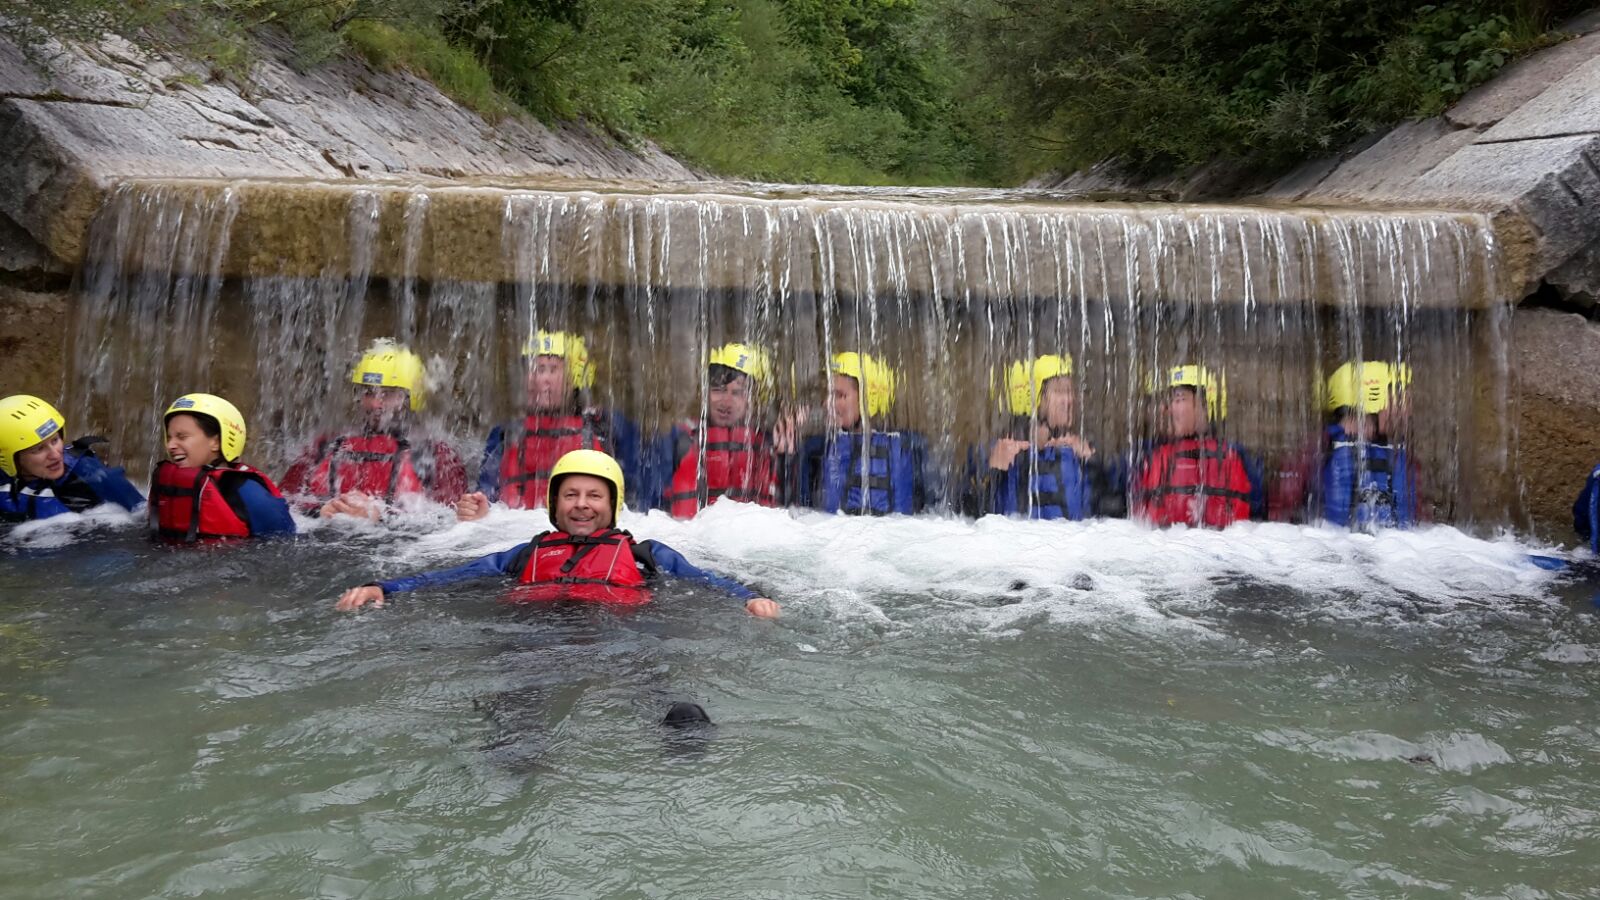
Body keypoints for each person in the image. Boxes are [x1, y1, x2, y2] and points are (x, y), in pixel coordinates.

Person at [337, 449, 780, 617]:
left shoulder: (646, 553)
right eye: (570, 495)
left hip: (620, 634)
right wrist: (386, 588)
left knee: (651, 675)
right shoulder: (526, 552)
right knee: (521, 688)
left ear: (611, 505)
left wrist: (750, 597)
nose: (582, 504)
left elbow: (704, 579)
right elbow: (454, 575)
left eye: (593, 496)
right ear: (554, 504)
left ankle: (678, 724)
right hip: (541, 630)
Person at [456, 331, 642, 521]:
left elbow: (636, 501)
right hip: (513, 532)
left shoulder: (607, 427)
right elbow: (486, 493)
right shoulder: (506, 433)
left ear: (574, 378)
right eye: (536, 369)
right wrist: (476, 509)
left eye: (552, 369)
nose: (540, 379)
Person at [279, 342, 466, 521]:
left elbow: (452, 523)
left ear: (410, 398)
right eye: (369, 393)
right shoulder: (325, 446)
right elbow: (282, 504)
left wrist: (381, 517)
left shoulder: (435, 455)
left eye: (387, 393)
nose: (376, 404)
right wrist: (319, 511)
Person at [964, 354, 1124, 520]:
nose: (1070, 400)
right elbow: (965, 518)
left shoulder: (1082, 454)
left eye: (1070, 391)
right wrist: (993, 474)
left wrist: (1094, 465)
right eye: (1060, 391)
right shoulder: (992, 454)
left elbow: (1116, 515)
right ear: (1030, 397)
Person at [795, 351, 937, 515]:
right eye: (828, 394)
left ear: (867, 400)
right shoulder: (814, 451)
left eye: (840, 395)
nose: (827, 404)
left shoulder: (912, 450)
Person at [656, 343, 786, 518]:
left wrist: (788, 457)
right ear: (705, 393)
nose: (726, 401)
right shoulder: (679, 440)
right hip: (687, 538)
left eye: (737, 393)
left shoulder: (772, 445)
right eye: (718, 390)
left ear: (753, 400)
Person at [1130, 364, 1265, 528]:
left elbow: (1260, 516)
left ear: (1206, 407)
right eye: (1160, 402)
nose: (1165, 409)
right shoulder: (1140, 456)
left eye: (1178, 399)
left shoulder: (1238, 458)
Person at [150, 393, 295, 541]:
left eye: (182, 437)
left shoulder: (248, 491)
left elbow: (285, 546)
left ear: (216, 442)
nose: (170, 446)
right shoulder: (166, 486)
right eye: (169, 438)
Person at [0, 394, 145, 522]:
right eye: (39, 449)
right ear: (10, 459)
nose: (55, 455)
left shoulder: (92, 475)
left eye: (55, 440)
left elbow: (143, 516)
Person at [1320, 361, 1420, 529]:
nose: (1408, 411)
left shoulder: (1397, 450)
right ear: (1371, 399)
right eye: (1401, 401)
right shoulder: (1334, 451)